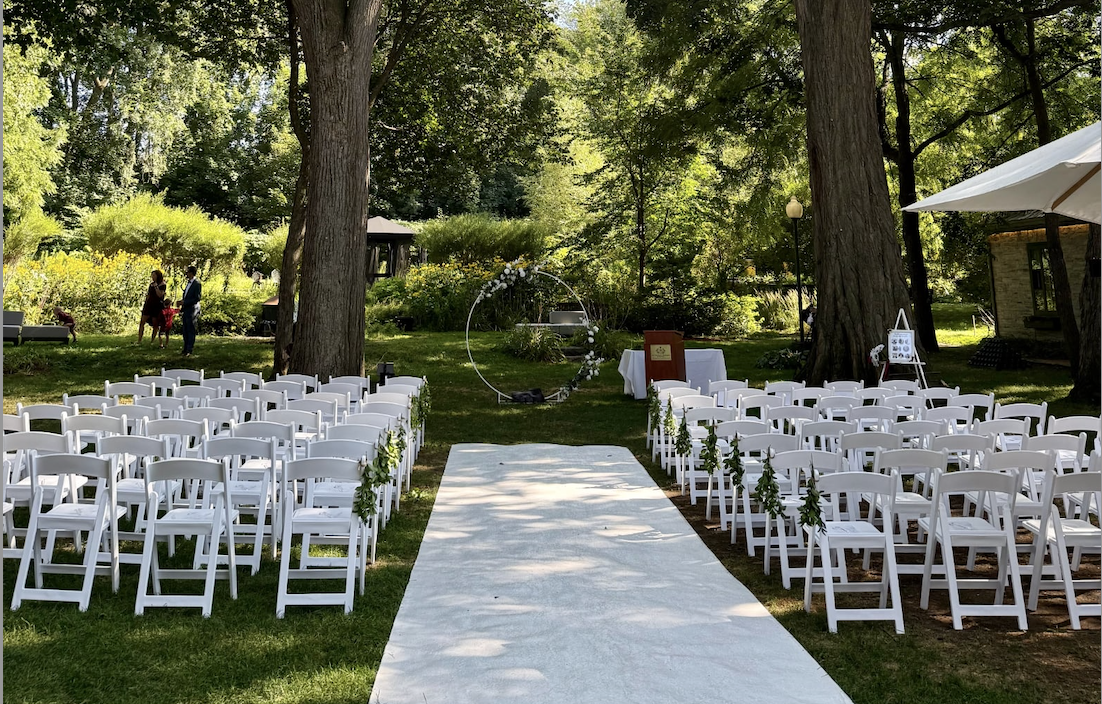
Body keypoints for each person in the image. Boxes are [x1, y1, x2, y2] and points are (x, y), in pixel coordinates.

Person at [138, 270, 167, 344]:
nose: (152, 277)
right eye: (152, 275)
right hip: (149, 305)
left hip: (157, 306)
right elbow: (149, 295)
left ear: (158, 276)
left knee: (155, 324)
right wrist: (145, 303)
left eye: (154, 275)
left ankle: (152, 341)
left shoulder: (163, 284)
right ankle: (139, 340)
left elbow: (160, 295)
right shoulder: (151, 284)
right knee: (142, 321)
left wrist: (156, 286)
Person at [180, 265, 202, 357]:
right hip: (186, 309)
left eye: (188, 272)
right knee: (185, 330)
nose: (186, 274)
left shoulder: (197, 284)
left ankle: (189, 349)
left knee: (190, 330)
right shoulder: (188, 283)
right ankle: (185, 348)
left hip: (192, 310)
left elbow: (197, 298)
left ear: (192, 273)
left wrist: (185, 302)